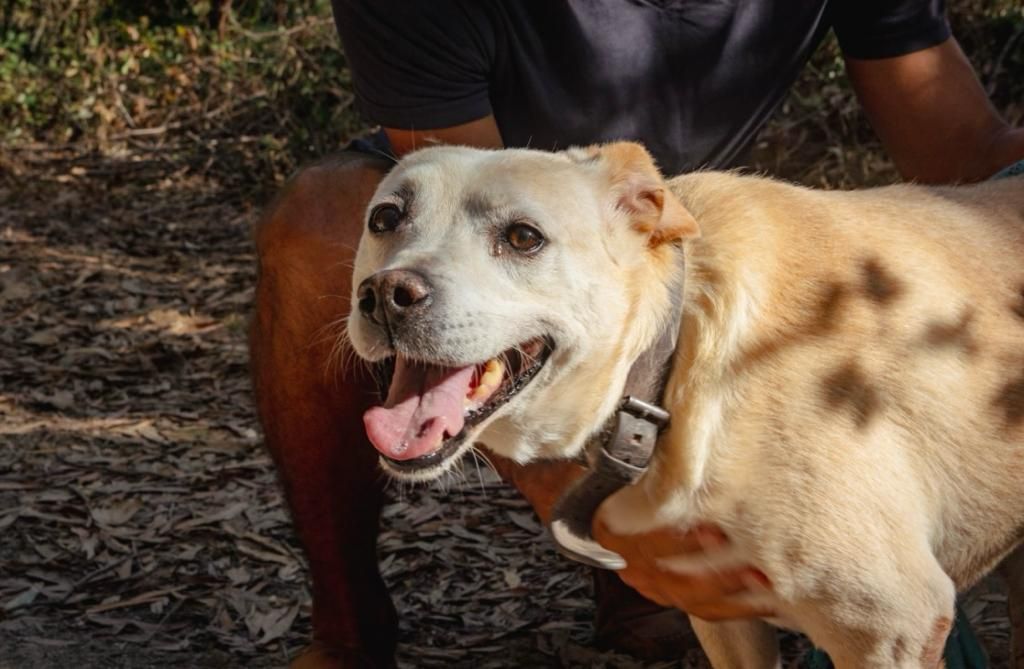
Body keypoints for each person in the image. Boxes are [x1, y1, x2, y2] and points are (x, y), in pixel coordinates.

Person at [249, 1, 1024, 667]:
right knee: (325, 220)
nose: (390, 283)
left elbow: (967, 150)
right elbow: (454, 220)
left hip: (653, 236)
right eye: (385, 225)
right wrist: (594, 502)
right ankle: (349, 632)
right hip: (562, 236)